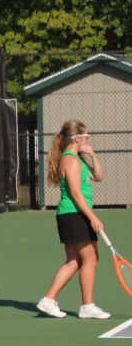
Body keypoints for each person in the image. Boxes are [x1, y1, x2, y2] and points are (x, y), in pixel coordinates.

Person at [36, 120, 110, 319]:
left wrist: (92, 155)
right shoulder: (71, 160)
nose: (88, 138)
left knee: (74, 261)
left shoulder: (77, 159)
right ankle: (86, 306)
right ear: (76, 138)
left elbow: (99, 176)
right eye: (85, 135)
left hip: (70, 215)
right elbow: (76, 194)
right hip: (75, 214)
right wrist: (93, 217)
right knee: (91, 259)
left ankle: (49, 300)